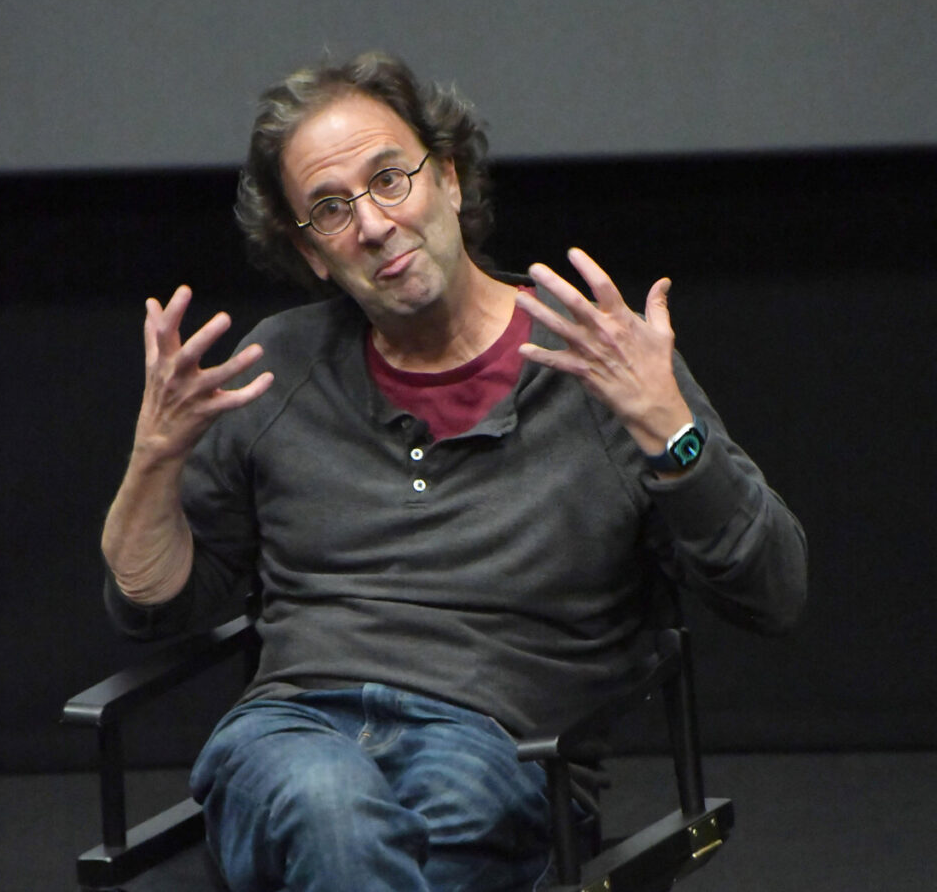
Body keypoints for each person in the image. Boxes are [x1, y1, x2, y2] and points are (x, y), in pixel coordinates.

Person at [100, 51, 807, 892]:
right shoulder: (276, 370)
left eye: (390, 178)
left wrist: (671, 434)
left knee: (386, 838)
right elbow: (150, 604)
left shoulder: (599, 368)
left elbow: (775, 590)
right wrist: (153, 459)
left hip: (500, 748)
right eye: (330, 209)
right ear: (314, 253)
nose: (371, 223)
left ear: (451, 179)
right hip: (293, 732)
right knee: (329, 804)